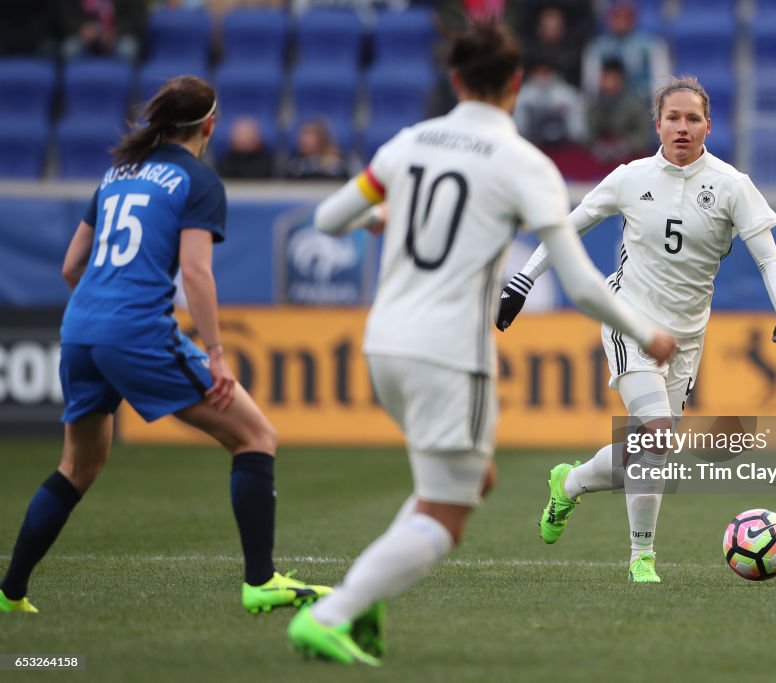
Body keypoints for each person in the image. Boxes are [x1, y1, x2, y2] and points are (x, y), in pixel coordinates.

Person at [285, 19, 676, 665]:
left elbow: (329, 219)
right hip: (449, 354)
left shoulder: (406, 143)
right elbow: (578, 279)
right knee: (448, 510)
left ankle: (365, 596)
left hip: (381, 344)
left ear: (454, 78)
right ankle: (332, 613)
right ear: (517, 84)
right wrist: (644, 331)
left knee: (469, 478)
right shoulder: (524, 163)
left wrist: (388, 214)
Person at [0, 76, 330, 616]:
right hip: (136, 330)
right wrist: (217, 353)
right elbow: (197, 273)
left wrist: (98, 313)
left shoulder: (117, 172)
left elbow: (69, 266)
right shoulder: (198, 179)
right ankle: (261, 581)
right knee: (255, 436)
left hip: (80, 327)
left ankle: (10, 593)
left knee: (76, 468)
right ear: (210, 125)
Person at [496, 75, 776, 583]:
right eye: (673, 118)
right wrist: (521, 282)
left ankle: (569, 484)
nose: (682, 128)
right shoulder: (629, 177)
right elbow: (566, 229)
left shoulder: (732, 185)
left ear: (708, 125)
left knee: (646, 449)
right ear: (657, 123)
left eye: (693, 119)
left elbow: (770, 260)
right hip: (630, 321)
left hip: (686, 340)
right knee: (658, 438)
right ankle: (642, 557)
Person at [581, 0, 670, 100]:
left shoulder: (650, 45)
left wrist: (656, 101)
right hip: (609, 102)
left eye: (624, 17)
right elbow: (591, 83)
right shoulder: (597, 47)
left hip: (642, 101)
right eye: (617, 17)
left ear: (632, 19)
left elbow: (661, 78)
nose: (620, 22)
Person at [285, 119, 351, 181]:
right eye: (303, 135)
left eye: (309, 135)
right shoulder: (295, 165)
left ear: (321, 140)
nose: (303, 140)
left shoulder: (336, 166)